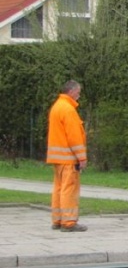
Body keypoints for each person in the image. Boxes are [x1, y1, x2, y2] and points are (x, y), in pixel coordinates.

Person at [46, 80, 88, 232]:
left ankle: (57, 220)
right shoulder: (68, 109)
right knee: (69, 189)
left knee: (58, 188)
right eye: (78, 92)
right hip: (68, 158)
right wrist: (81, 157)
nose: (79, 95)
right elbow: (74, 136)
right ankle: (69, 222)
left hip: (57, 157)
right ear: (71, 92)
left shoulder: (57, 106)